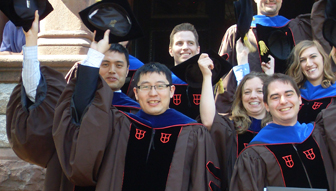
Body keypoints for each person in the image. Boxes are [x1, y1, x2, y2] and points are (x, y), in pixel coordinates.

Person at [52, 30, 221, 190]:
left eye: (160, 86)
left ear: (171, 91)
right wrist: (95, 56)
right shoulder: (120, 124)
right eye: (146, 87)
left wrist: (207, 77)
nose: (153, 93)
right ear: (136, 92)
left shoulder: (191, 132)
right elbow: (82, 110)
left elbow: (200, 182)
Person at [216, 0, 336, 113]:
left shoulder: (299, 28)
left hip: (298, 111)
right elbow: (222, 77)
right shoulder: (238, 33)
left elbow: (332, 24)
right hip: (253, 115)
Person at [230, 51, 336, 190]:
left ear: (299, 99)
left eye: (288, 94)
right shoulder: (255, 153)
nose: (283, 101)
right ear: (266, 105)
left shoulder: (319, 134)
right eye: (275, 97)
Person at [6, 11, 85, 190]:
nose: (112, 70)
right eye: (105, 64)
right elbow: (35, 88)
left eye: (118, 65)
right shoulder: (66, 98)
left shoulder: (130, 109)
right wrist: (31, 41)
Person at [200, 72, 271, 190]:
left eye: (260, 91)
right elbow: (208, 121)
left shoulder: (279, 128)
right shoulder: (231, 127)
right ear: (241, 97)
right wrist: (207, 76)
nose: (253, 96)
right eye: (247, 92)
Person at [287, 40, 336, 123]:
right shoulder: (293, 93)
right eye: (302, 60)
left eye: (313, 56)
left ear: (323, 58)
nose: (309, 64)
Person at [167, 23, 204, 118]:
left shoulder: (209, 80)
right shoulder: (164, 81)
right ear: (171, 51)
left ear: (198, 49)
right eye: (179, 43)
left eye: (190, 43)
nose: (185, 47)